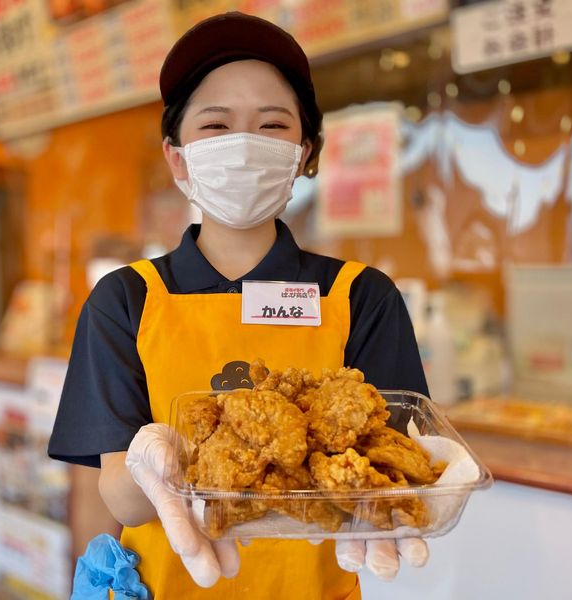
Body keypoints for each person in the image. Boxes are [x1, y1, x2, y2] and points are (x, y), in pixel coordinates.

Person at [49, 12, 430, 599]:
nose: (245, 145)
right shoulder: (125, 299)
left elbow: (392, 464)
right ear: (177, 157)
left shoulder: (361, 295)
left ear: (304, 154)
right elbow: (121, 497)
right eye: (216, 124)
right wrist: (150, 469)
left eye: (272, 124)